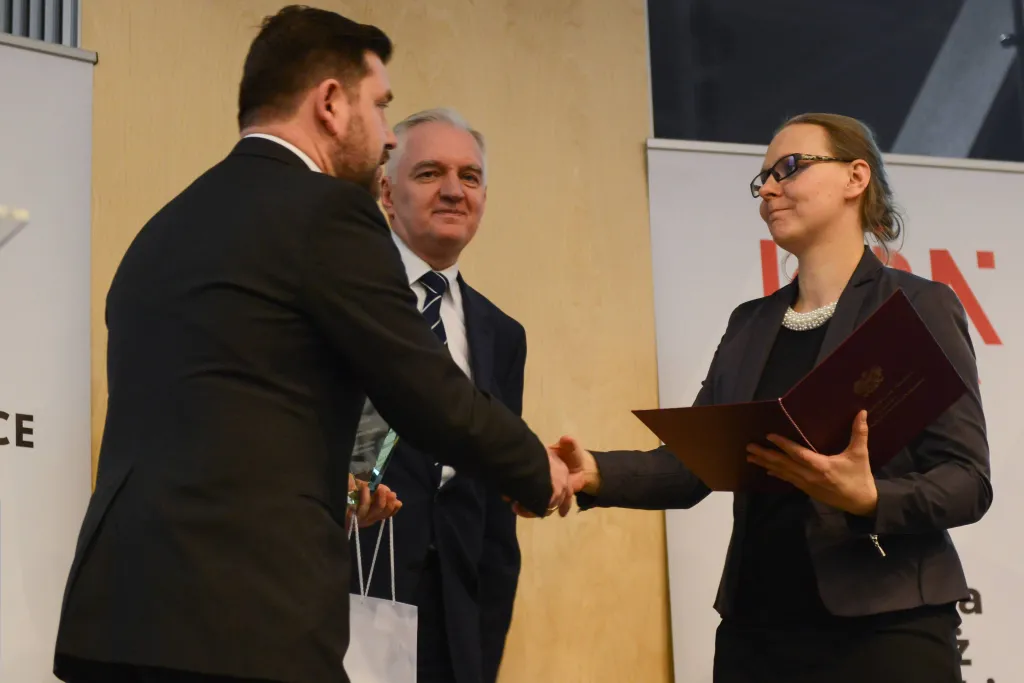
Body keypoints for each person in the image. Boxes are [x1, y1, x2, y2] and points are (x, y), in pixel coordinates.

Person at [52, 7, 571, 683]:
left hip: (115, 620)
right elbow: (428, 393)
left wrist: (341, 490)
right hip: (245, 622)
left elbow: (230, 425)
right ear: (330, 103)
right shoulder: (327, 212)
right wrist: (539, 467)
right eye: (380, 107)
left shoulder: (163, 230)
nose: (387, 137)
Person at [551, 113, 991, 683]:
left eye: (790, 168)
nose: (769, 190)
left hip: (887, 628)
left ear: (856, 178)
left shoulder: (916, 306)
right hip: (757, 632)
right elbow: (691, 467)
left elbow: (967, 480)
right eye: (762, 180)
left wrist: (869, 497)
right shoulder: (749, 325)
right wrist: (593, 472)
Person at [351, 108, 524, 683]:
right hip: (349, 591)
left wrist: (487, 624)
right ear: (386, 190)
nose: (453, 191)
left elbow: (496, 502)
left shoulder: (502, 333)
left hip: (457, 614)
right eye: (429, 174)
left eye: (469, 177)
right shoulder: (343, 300)